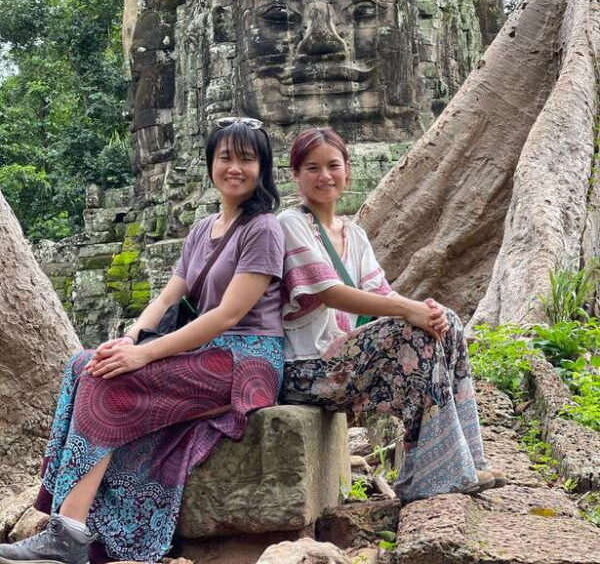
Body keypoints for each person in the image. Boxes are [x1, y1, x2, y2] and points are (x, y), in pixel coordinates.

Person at [0, 118, 285, 564]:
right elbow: (170, 295)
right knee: (85, 362)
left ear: (262, 168)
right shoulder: (202, 228)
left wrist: (144, 355)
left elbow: (227, 314)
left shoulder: (264, 228)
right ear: (210, 163)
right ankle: (64, 519)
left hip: (246, 362)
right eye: (225, 157)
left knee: (108, 383)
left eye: (247, 159)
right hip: (205, 351)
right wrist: (129, 337)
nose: (235, 168)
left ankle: (69, 534)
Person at [278, 127, 504, 503]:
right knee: (411, 329)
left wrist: (426, 311)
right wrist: (408, 311)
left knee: (446, 322)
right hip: (307, 371)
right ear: (296, 176)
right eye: (312, 168)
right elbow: (328, 292)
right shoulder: (290, 225)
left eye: (333, 166)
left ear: (347, 171)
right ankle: (433, 475)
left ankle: (464, 461)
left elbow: (381, 293)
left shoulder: (354, 233)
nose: (324, 176)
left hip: (345, 365)